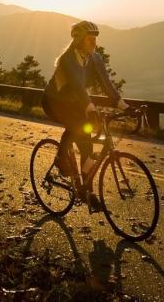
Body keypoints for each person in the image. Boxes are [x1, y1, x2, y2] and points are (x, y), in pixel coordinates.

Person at [42, 20, 127, 210]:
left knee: (86, 141)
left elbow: (107, 84)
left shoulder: (95, 58)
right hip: (54, 101)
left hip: (75, 103)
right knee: (77, 126)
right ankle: (61, 158)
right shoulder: (68, 59)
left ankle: (86, 191)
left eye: (95, 39)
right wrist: (90, 108)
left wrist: (123, 106)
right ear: (80, 40)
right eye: (90, 40)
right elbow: (79, 88)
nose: (94, 43)